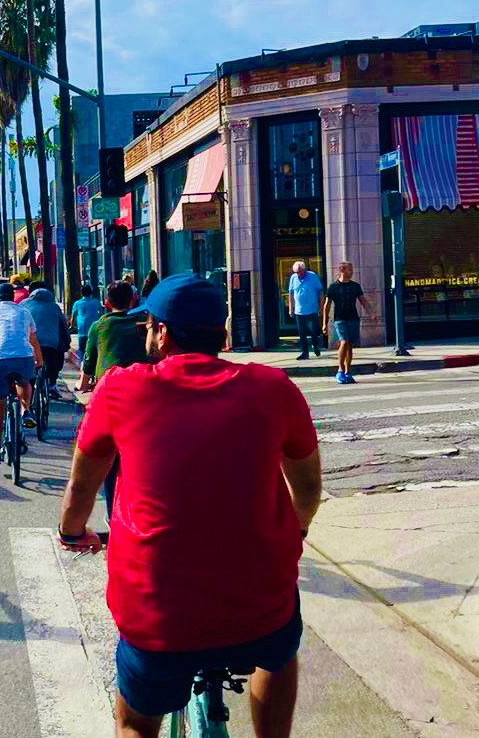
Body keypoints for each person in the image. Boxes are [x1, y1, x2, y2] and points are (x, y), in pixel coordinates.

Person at [56, 274, 323, 738]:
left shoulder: (120, 388)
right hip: (259, 605)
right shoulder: (274, 388)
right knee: (277, 652)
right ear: (221, 334)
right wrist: (296, 530)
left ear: (160, 333)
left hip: (156, 613)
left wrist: (72, 532)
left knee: (136, 722)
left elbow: (82, 486)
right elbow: (307, 489)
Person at [80, 280, 150, 517]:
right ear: (132, 300)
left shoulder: (99, 327)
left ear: (106, 303)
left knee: (108, 457)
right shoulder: (142, 325)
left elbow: (89, 361)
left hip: (109, 396)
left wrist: (83, 384)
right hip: (142, 395)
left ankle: (112, 515)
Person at [0, 282, 44, 464]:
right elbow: (33, 339)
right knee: (24, 382)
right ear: (13, 296)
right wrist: (39, 360)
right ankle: (26, 410)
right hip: (23, 358)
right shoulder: (24, 312)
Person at [323, 261, 370, 385]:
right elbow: (326, 306)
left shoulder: (355, 286)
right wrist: (324, 323)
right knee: (344, 342)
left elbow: (362, 300)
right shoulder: (333, 287)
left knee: (350, 345)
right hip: (339, 319)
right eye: (350, 269)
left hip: (353, 318)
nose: (352, 271)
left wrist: (371, 312)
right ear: (342, 270)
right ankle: (340, 370)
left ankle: (348, 372)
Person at [22, 280, 70, 399]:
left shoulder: (23, 305)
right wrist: (67, 342)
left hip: (29, 343)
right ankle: (52, 385)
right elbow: (63, 326)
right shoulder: (54, 307)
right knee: (56, 360)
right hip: (50, 345)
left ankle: (30, 385)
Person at [287, 261, 325, 361]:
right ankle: (305, 352)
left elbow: (320, 292)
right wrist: (291, 308)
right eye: (297, 272)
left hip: (312, 309)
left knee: (313, 330)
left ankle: (315, 346)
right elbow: (290, 294)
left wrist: (321, 307)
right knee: (302, 332)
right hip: (299, 310)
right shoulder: (293, 278)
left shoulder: (312, 276)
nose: (299, 274)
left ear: (304, 269)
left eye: (300, 271)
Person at [70, 284, 104, 364]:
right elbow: (102, 314)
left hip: (82, 331)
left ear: (81, 293)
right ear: (91, 292)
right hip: (95, 330)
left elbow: (73, 317)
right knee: (95, 350)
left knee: (82, 350)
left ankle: (83, 366)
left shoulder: (77, 303)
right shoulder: (96, 302)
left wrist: (72, 326)